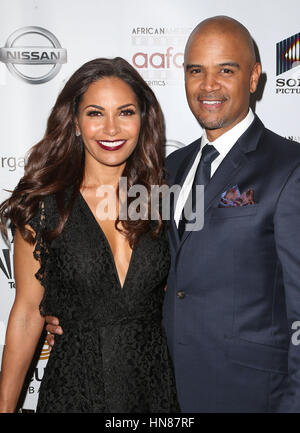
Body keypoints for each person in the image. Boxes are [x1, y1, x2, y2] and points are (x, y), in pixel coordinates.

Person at [45, 16, 300, 413]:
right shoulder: (168, 171)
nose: (208, 85)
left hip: (250, 394)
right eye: (196, 70)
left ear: (254, 78)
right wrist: (74, 313)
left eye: (225, 70)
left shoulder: (288, 167)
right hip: (160, 388)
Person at [0, 57, 179, 413]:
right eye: (96, 113)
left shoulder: (164, 198)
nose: (111, 129)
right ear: (76, 123)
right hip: (75, 389)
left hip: (153, 388)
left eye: (125, 112)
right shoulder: (44, 205)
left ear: (143, 120)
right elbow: (26, 312)